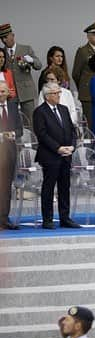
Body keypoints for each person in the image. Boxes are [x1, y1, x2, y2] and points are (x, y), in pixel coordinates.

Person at [33, 82, 80, 229]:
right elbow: (42, 134)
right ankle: (48, 218)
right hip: (50, 155)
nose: (58, 95)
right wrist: (58, 148)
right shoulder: (40, 112)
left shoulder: (64, 109)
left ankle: (65, 217)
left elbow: (72, 130)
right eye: (55, 93)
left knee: (65, 186)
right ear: (47, 96)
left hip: (66, 154)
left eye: (59, 92)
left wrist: (72, 146)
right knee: (49, 186)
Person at [0, 23, 42, 124]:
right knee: (12, 121)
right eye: (2, 38)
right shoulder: (2, 53)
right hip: (11, 93)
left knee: (30, 120)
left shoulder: (26, 49)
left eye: (6, 37)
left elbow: (39, 65)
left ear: (12, 35)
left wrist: (31, 60)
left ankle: (32, 139)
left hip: (26, 92)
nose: (4, 40)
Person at [72, 22, 95, 129]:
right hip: (88, 92)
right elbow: (76, 73)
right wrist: (84, 87)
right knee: (91, 123)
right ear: (88, 36)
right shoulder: (82, 51)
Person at [0, 80, 22, 230]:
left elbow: (20, 129)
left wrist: (12, 134)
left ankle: (4, 218)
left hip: (10, 152)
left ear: (8, 93)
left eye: (3, 91)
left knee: (6, 187)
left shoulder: (13, 108)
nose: (1, 94)